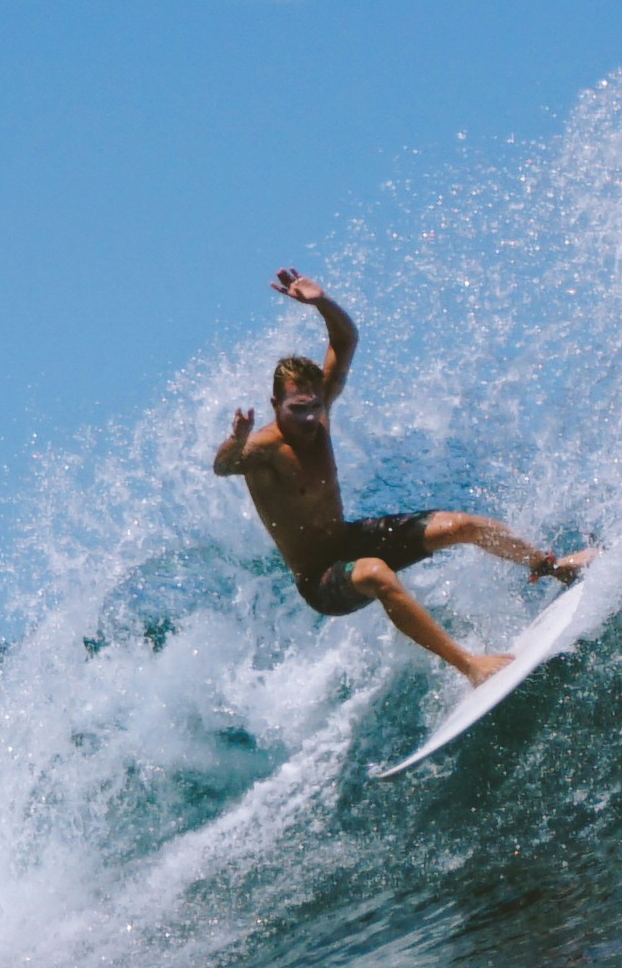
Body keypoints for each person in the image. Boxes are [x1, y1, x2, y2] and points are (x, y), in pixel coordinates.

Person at [208, 266, 590, 688]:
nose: (311, 416)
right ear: (275, 404)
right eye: (298, 408)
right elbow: (224, 466)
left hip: (350, 538)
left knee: (464, 525)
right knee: (375, 574)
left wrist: (322, 304)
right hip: (321, 579)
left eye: (315, 404)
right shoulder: (264, 449)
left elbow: (345, 340)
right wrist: (235, 440)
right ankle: (470, 666)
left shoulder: (321, 411)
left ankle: (553, 566)